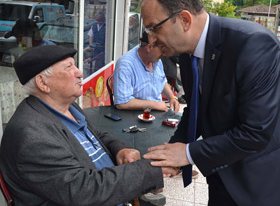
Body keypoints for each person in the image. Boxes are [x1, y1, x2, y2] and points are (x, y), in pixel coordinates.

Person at [141, 0, 280, 206]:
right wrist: (169, 153)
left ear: (185, 20)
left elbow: (255, 132)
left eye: (154, 27)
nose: (151, 39)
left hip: (260, 180)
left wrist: (187, 153)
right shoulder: (186, 51)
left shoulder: (254, 45)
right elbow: (196, 110)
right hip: (221, 169)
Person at [0, 45, 177, 206]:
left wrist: (119, 149)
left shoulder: (67, 107)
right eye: (69, 67)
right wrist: (148, 171)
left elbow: (97, 135)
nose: (80, 73)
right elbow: (85, 191)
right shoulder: (33, 135)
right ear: (43, 83)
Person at [113, 31, 180, 113]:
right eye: (162, 50)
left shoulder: (156, 59)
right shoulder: (126, 65)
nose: (164, 54)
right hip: (136, 117)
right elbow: (122, 103)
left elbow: (162, 81)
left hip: (156, 113)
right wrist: (155, 105)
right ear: (149, 48)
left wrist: (171, 97)